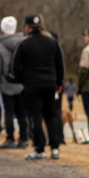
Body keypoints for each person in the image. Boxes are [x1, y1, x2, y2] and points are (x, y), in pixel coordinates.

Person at [9, 14, 64, 160]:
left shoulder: (24, 43)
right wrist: (59, 82)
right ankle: (55, 148)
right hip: (50, 84)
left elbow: (14, 67)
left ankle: (40, 149)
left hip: (32, 85)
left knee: (36, 117)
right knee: (50, 116)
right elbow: (60, 64)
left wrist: (23, 80)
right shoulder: (52, 42)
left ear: (27, 27)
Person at [0, 16, 28, 150]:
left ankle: (10, 138)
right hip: (22, 84)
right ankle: (23, 139)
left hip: (6, 84)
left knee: (8, 113)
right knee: (22, 113)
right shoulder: (23, 43)